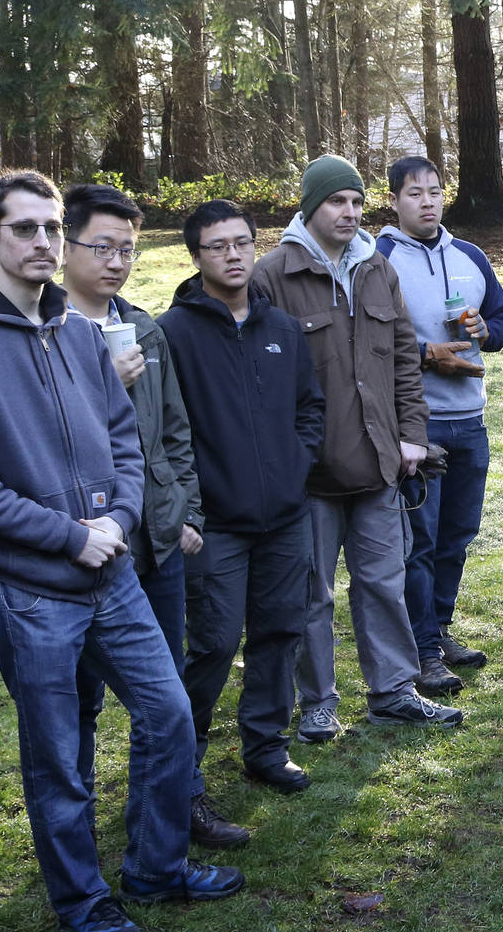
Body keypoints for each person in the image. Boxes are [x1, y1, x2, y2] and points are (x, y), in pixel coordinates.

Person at [0, 170, 243, 932]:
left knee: (167, 716)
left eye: (51, 228)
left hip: (115, 574)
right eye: (23, 228)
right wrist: (69, 535)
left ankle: (155, 868)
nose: (41, 243)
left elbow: (125, 439)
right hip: (34, 593)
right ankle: (82, 901)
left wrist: (120, 518)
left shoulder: (79, 332)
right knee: (58, 759)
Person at [256, 155, 462, 732]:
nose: (349, 212)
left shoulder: (377, 269)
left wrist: (412, 437)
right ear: (310, 207)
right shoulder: (272, 274)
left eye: (354, 201)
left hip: (380, 464)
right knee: (310, 593)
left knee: (382, 582)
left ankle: (394, 689)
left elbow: (402, 358)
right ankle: (318, 700)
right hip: (310, 473)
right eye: (335, 202)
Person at [56, 184, 224, 842]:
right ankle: (78, 830)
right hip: (78, 547)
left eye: (127, 248)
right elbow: (52, 443)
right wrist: (103, 382)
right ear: (65, 247)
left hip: (154, 542)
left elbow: (175, 433)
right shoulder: (44, 336)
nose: (116, 261)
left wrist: (186, 512)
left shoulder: (143, 326)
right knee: (79, 703)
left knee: (167, 696)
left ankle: (182, 804)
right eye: (102, 247)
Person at [160, 200, 325, 811]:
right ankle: (185, 763)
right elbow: (161, 430)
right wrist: (190, 503)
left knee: (280, 631)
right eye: (217, 246)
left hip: (284, 516)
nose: (233, 255)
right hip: (215, 525)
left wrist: (296, 461)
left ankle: (265, 745)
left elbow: (310, 407)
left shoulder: (281, 328)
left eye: (242, 243)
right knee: (213, 640)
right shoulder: (172, 334)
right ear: (196, 256)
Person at [374, 156, 503, 697]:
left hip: (469, 421)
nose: (427, 201)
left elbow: (500, 324)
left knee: (458, 534)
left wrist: (484, 327)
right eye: (414, 193)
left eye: (434, 191)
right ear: (394, 201)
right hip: (416, 424)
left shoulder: (470, 256)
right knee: (421, 540)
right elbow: (367, 336)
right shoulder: (378, 258)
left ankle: (440, 629)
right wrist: (426, 354)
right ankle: (423, 651)